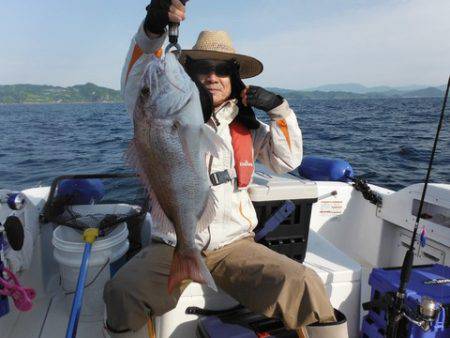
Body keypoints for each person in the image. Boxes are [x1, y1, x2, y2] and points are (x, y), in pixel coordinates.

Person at [104, 1, 348, 337]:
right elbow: (137, 74)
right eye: (203, 67)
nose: (212, 76)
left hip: (234, 244)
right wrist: (152, 27)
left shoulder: (247, 128)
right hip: (172, 241)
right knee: (122, 291)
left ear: (234, 78)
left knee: (306, 283)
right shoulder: (158, 109)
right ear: (188, 73)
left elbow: (287, 161)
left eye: (222, 69)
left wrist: (280, 110)